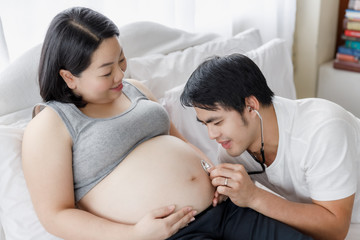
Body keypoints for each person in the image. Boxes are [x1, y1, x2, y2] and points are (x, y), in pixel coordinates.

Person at [22, 7, 312, 240]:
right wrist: (133, 234)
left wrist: (213, 175)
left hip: (226, 209)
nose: (120, 76)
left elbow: (178, 142)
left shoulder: (135, 90)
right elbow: (55, 215)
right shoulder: (51, 124)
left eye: (121, 61)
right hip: (171, 234)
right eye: (106, 71)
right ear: (68, 77)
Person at [180, 53, 360, 240]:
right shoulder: (233, 151)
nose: (211, 135)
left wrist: (254, 197)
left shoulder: (323, 130)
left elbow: (335, 230)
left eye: (217, 122)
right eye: (205, 125)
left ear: (250, 106)